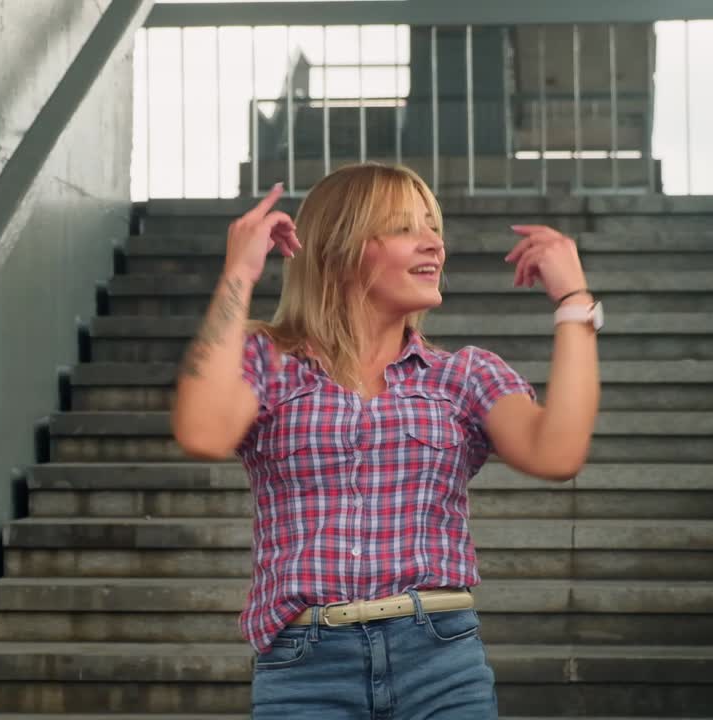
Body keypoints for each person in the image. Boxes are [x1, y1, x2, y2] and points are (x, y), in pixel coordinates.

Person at [171, 163, 601, 719]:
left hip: (440, 660)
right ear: (341, 247)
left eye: (433, 227)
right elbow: (203, 433)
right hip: (305, 669)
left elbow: (558, 453)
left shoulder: (463, 375)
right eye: (404, 228)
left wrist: (573, 302)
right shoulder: (268, 363)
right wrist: (239, 272)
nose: (435, 245)